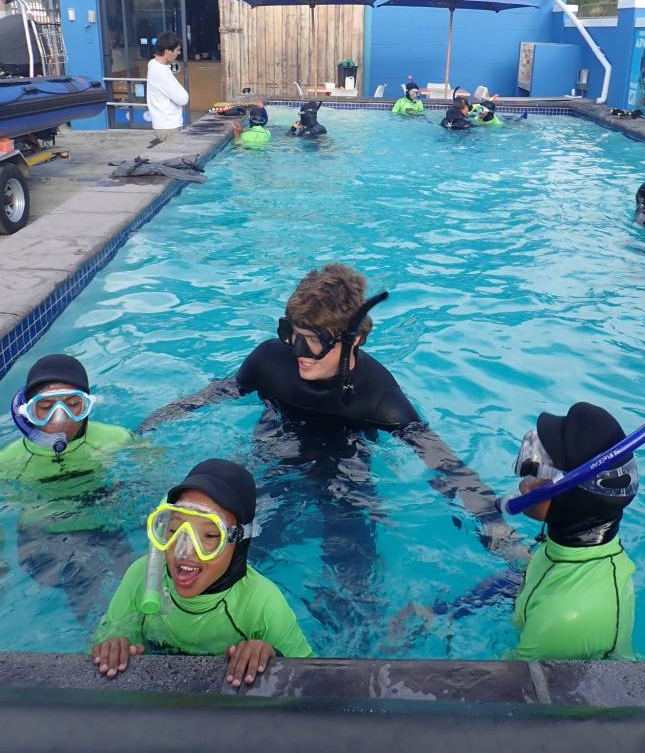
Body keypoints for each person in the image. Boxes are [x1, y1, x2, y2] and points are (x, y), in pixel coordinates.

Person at [139, 265, 520, 639]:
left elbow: (443, 461)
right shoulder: (270, 360)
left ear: (353, 340)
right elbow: (215, 393)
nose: (298, 350)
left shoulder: (379, 396)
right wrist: (146, 429)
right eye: (291, 333)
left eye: (313, 339)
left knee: (354, 593)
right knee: (233, 555)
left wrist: (496, 527)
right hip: (275, 460)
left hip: (345, 477)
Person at [91, 459, 312, 684]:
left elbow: (311, 679)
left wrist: (274, 658)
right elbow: (103, 645)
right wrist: (112, 647)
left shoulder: (262, 603)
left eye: (210, 535)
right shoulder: (141, 576)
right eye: (175, 530)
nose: (183, 551)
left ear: (239, 541)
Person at [0, 354, 135, 623]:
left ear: (87, 406)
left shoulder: (116, 440)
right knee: (84, 588)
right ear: (26, 411)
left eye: (73, 405)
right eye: (45, 407)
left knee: (136, 583)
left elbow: (153, 471)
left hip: (103, 525)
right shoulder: (8, 462)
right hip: (43, 535)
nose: (60, 419)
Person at [501, 402, 639, 660]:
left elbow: (504, 681)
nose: (522, 484)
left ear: (571, 501)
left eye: (536, 473)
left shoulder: (565, 618)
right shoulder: (568, 547)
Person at [146, 31, 189, 144]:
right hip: (169, 127)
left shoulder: (153, 64)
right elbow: (183, 99)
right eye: (177, 50)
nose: (179, 53)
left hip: (163, 124)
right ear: (167, 51)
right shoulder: (161, 72)